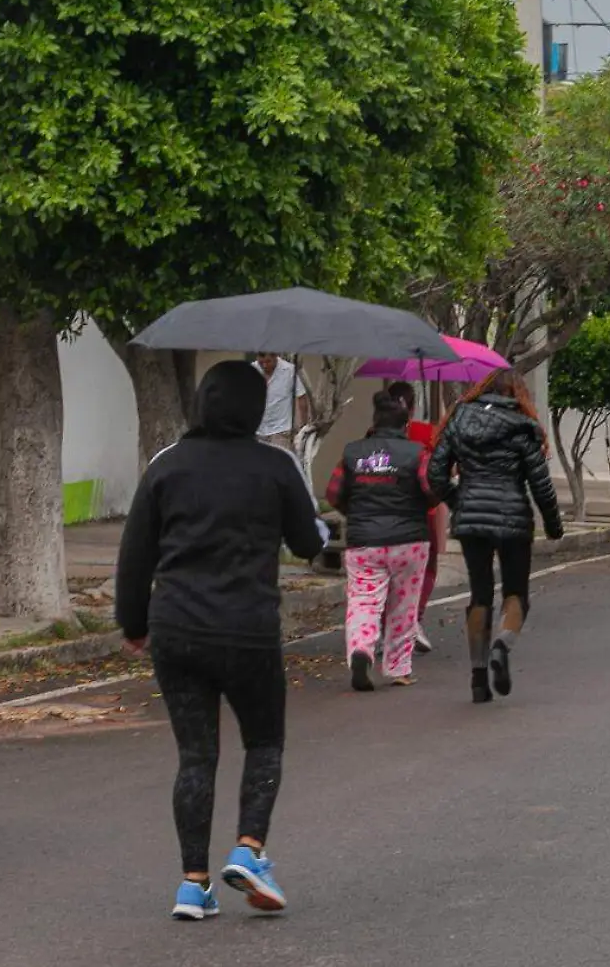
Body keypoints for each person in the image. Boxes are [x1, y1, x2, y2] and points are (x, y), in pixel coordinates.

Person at [115, 360, 330, 922]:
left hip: (177, 629)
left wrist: (133, 623)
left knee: (196, 756)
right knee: (263, 743)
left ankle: (193, 886)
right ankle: (249, 850)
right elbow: (309, 542)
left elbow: (136, 553)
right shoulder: (276, 466)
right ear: (257, 409)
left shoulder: (166, 465)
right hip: (248, 630)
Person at [428, 369, 563, 704]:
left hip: (471, 518)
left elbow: (435, 473)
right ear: (516, 393)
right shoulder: (522, 425)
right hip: (513, 517)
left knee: (480, 593)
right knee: (516, 592)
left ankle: (477, 677)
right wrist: (553, 524)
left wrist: (460, 501)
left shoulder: (459, 418)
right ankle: (503, 644)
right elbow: (540, 484)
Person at [326, 391, 436, 691]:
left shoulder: (352, 453)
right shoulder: (417, 453)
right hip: (409, 540)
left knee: (363, 601)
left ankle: (361, 649)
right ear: (406, 424)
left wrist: (356, 513)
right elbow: (431, 491)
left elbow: (334, 493)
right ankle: (399, 668)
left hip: (364, 541)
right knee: (403, 605)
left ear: (374, 422)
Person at [386, 380, 441, 655]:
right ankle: (413, 621)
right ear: (413, 406)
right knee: (427, 568)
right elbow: (441, 473)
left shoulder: (373, 436)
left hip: (386, 511)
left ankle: (386, 626)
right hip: (423, 512)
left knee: (388, 571)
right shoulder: (425, 432)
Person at [252, 354, 309, 450]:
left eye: (268, 362)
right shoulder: (252, 369)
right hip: (258, 429)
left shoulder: (289, 370)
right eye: (261, 362)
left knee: (278, 461)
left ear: (275, 357)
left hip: (281, 430)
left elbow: (302, 398)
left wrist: (303, 426)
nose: (265, 366)